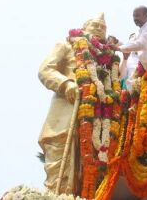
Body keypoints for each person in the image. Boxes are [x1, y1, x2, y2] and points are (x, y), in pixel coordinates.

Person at [38, 12, 107, 194]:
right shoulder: (67, 45)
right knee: (58, 164)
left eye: (103, 28)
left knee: (82, 172)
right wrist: (65, 83)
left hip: (93, 122)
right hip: (65, 114)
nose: (99, 30)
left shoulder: (105, 62)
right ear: (84, 28)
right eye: (95, 26)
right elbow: (45, 70)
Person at [117, 6, 147, 70]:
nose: (135, 18)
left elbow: (141, 44)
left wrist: (118, 48)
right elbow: (130, 43)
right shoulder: (139, 32)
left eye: (137, 15)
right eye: (133, 16)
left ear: (146, 15)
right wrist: (116, 42)